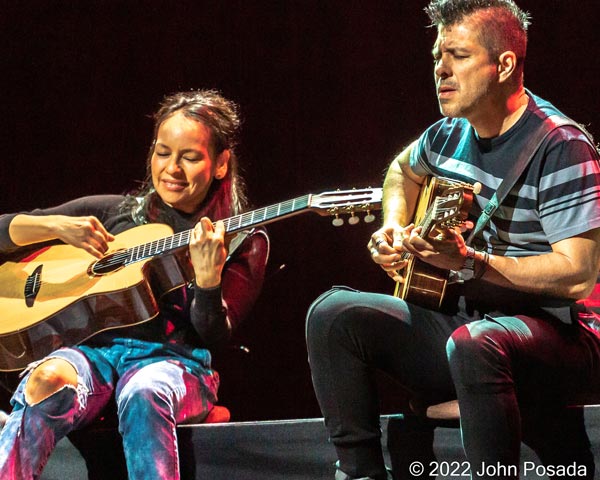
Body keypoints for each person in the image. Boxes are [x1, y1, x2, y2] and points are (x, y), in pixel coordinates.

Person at [305, 1, 600, 479]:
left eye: (457, 55)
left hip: (556, 338)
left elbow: (577, 274)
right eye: (437, 55)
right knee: (333, 314)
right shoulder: (447, 134)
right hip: (467, 329)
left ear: (504, 65)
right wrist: (394, 227)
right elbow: (401, 171)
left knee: (477, 344)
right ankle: (359, 472)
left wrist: (473, 263)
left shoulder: (561, 146)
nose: (440, 68)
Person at [0, 89, 269, 479]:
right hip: (94, 358)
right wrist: (51, 224)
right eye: (163, 152)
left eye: (190, 157)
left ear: (221, 163)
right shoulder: (115, 212)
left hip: (176, 363)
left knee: (146, 391)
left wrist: (208, 282)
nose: (172, 168)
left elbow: (212, 338)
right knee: (45, 379)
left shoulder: (242, 239)